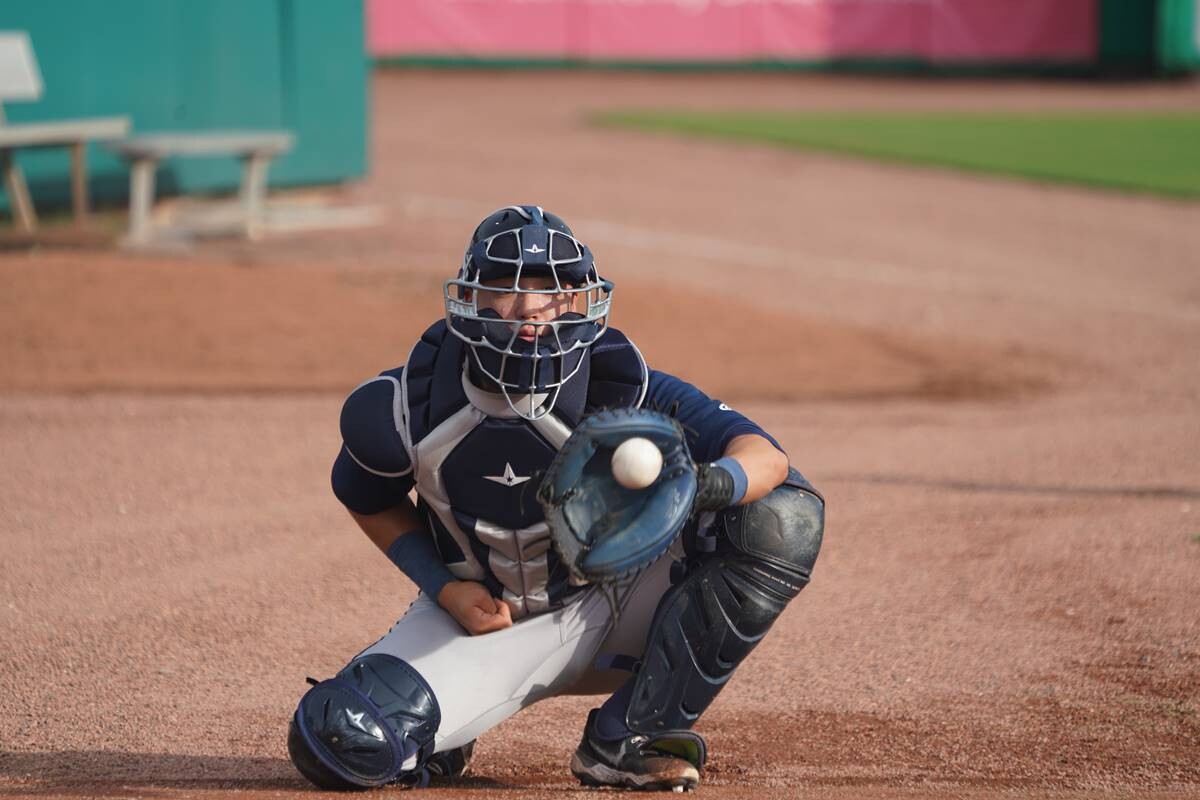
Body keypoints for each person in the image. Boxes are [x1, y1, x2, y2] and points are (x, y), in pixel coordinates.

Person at [286, 205, 824, 791]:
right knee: (339, 738)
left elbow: (766, 457)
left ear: (578, 303)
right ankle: (449, 726)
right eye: (506, 288)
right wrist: (444, 587)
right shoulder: (404, 403)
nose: (528, 311)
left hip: (617, 604)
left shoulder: (620, 382)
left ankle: (632, 737)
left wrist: (707, 484)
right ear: (468, 297)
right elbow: (364, 495)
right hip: (487, 623)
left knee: (784, 519)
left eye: (551, 291)